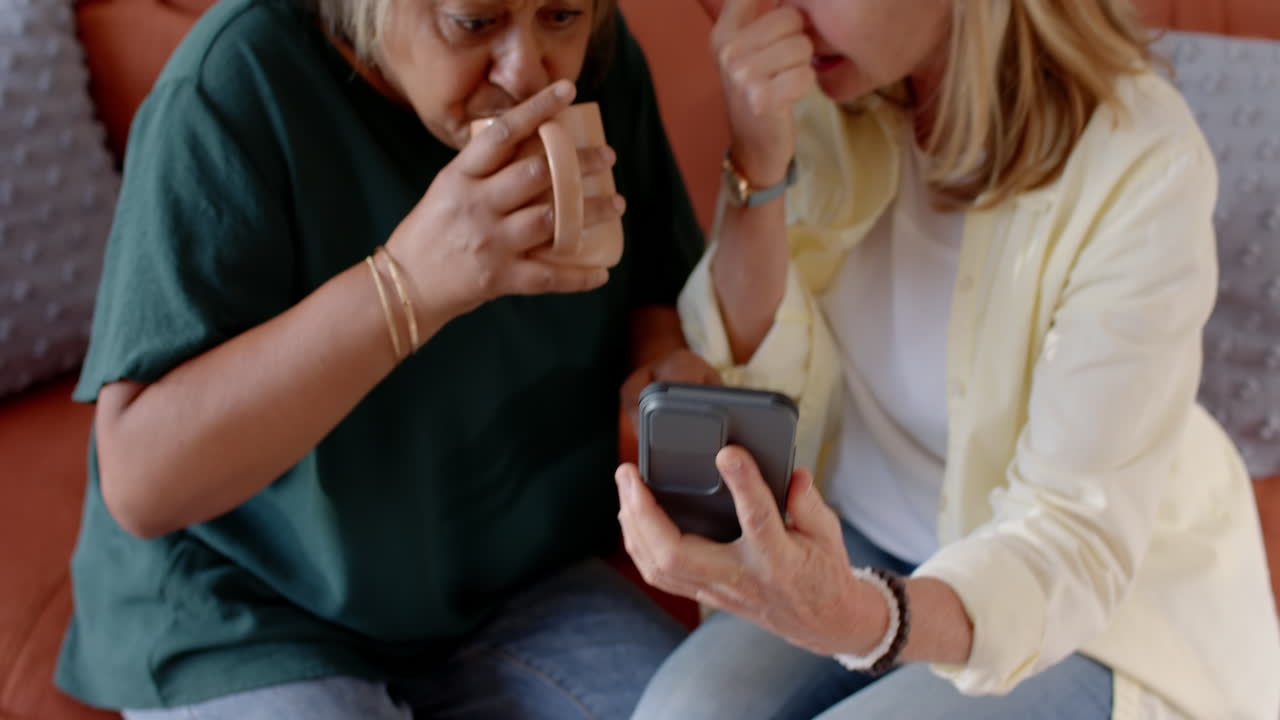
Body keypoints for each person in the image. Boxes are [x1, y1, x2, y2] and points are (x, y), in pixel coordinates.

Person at [616, 0, 1280, 718]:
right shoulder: (825, 91)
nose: (776, 11)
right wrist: (757, 161)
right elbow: (758, 381)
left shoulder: (1142, 160)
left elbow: (1066, 544)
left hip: (1081, 606)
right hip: (863, 537)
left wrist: (854, 615)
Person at [54, 0, 718, 717]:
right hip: (251, 610)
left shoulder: (597, 61)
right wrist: (406, 288)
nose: (527, 69)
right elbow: (142, 480)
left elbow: (656, 288)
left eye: (561, 15)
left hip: (515, 579)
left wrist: (661, 367)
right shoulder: (237, 84)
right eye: (473, 22)